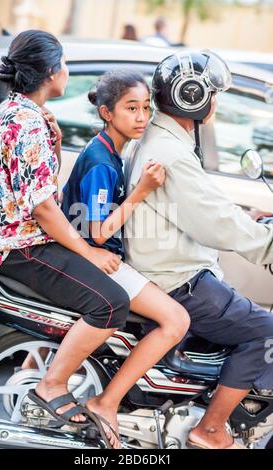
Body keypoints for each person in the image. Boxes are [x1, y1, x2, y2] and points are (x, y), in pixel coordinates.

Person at [0, 29, 131, 448]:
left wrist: (56, 142)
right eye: (62, 64)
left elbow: (35, 187)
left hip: (10, 238)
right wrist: (89, 253)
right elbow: (43, 207)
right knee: (111, 303)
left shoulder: (17, 111)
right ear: (49, 71)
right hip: (19, 248)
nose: (65, 71)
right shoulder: (26, 122)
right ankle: (51, 385)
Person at [124, 49, 273, 449]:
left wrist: (250, 217)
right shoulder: (171, 151)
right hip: (180, 281)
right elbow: (213, 221)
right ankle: (210, 429)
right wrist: (268, 247)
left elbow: (203, 205)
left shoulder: (162, 139)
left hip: (168, 269)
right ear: (193, 97)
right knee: (266, 333)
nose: (217, 102)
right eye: (214, 93)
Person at [61, 69, 190, 448]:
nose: (141, 117)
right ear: (106, 113)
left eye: (146, 108)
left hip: (95, 256)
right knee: (175, 320)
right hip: (97, 260)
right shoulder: (103, 161)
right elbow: (99, 232)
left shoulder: (110, 149)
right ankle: (107, 402)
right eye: (131, 108)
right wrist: (144, 190)